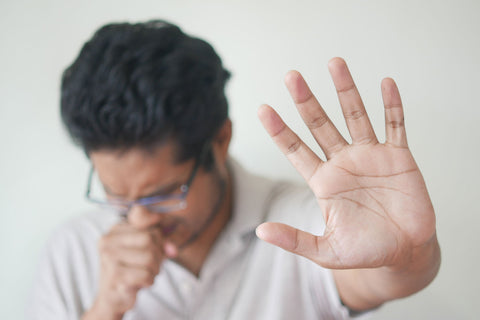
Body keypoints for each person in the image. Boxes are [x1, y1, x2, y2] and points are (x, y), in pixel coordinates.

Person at [28, 20, 441, 320]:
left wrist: (406, 255)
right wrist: (105, 310)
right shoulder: (73, 250)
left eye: (165, 193)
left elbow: (381, 278)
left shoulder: (304, 223)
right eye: (116, 195)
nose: (139, 218)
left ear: (220, 141)